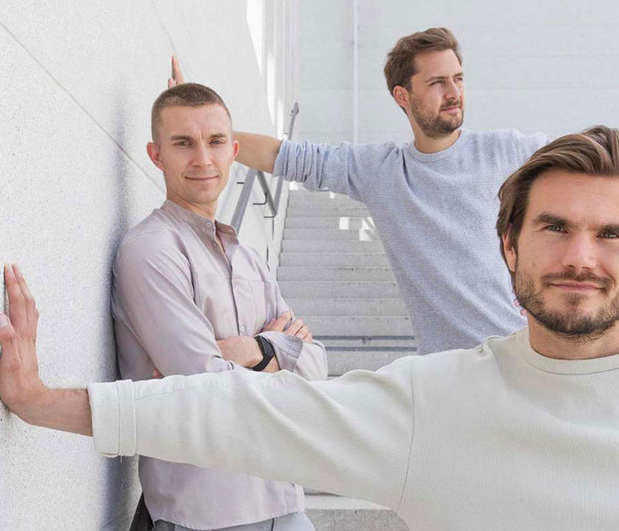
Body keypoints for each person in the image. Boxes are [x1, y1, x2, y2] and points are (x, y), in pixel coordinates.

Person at [0, 126, 619, 530]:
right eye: (555, 227)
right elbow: (243, 412)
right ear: (509, 246)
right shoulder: (437, 402)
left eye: (610, 235)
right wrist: (40, 400)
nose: (581, 258)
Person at [170, 28, 548, 354]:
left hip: (528, 350)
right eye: (437, 82)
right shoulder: (382, 171)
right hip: (449, 372)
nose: (454, 92)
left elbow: (580, 166)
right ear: (402, 96)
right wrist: (205, 131)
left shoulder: (508, 151)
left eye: (458, 79)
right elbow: (286, 157)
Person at [114, 83, 327, 530]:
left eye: (214, 142)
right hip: (206, 513)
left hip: (284, 500)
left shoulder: (249, 258)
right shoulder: (151, 251)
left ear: (233, 152)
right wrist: (277, 352)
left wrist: (251, 349)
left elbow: (316, 367)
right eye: (183, 143)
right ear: (156, 155)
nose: (202, 159)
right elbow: (202, 387)